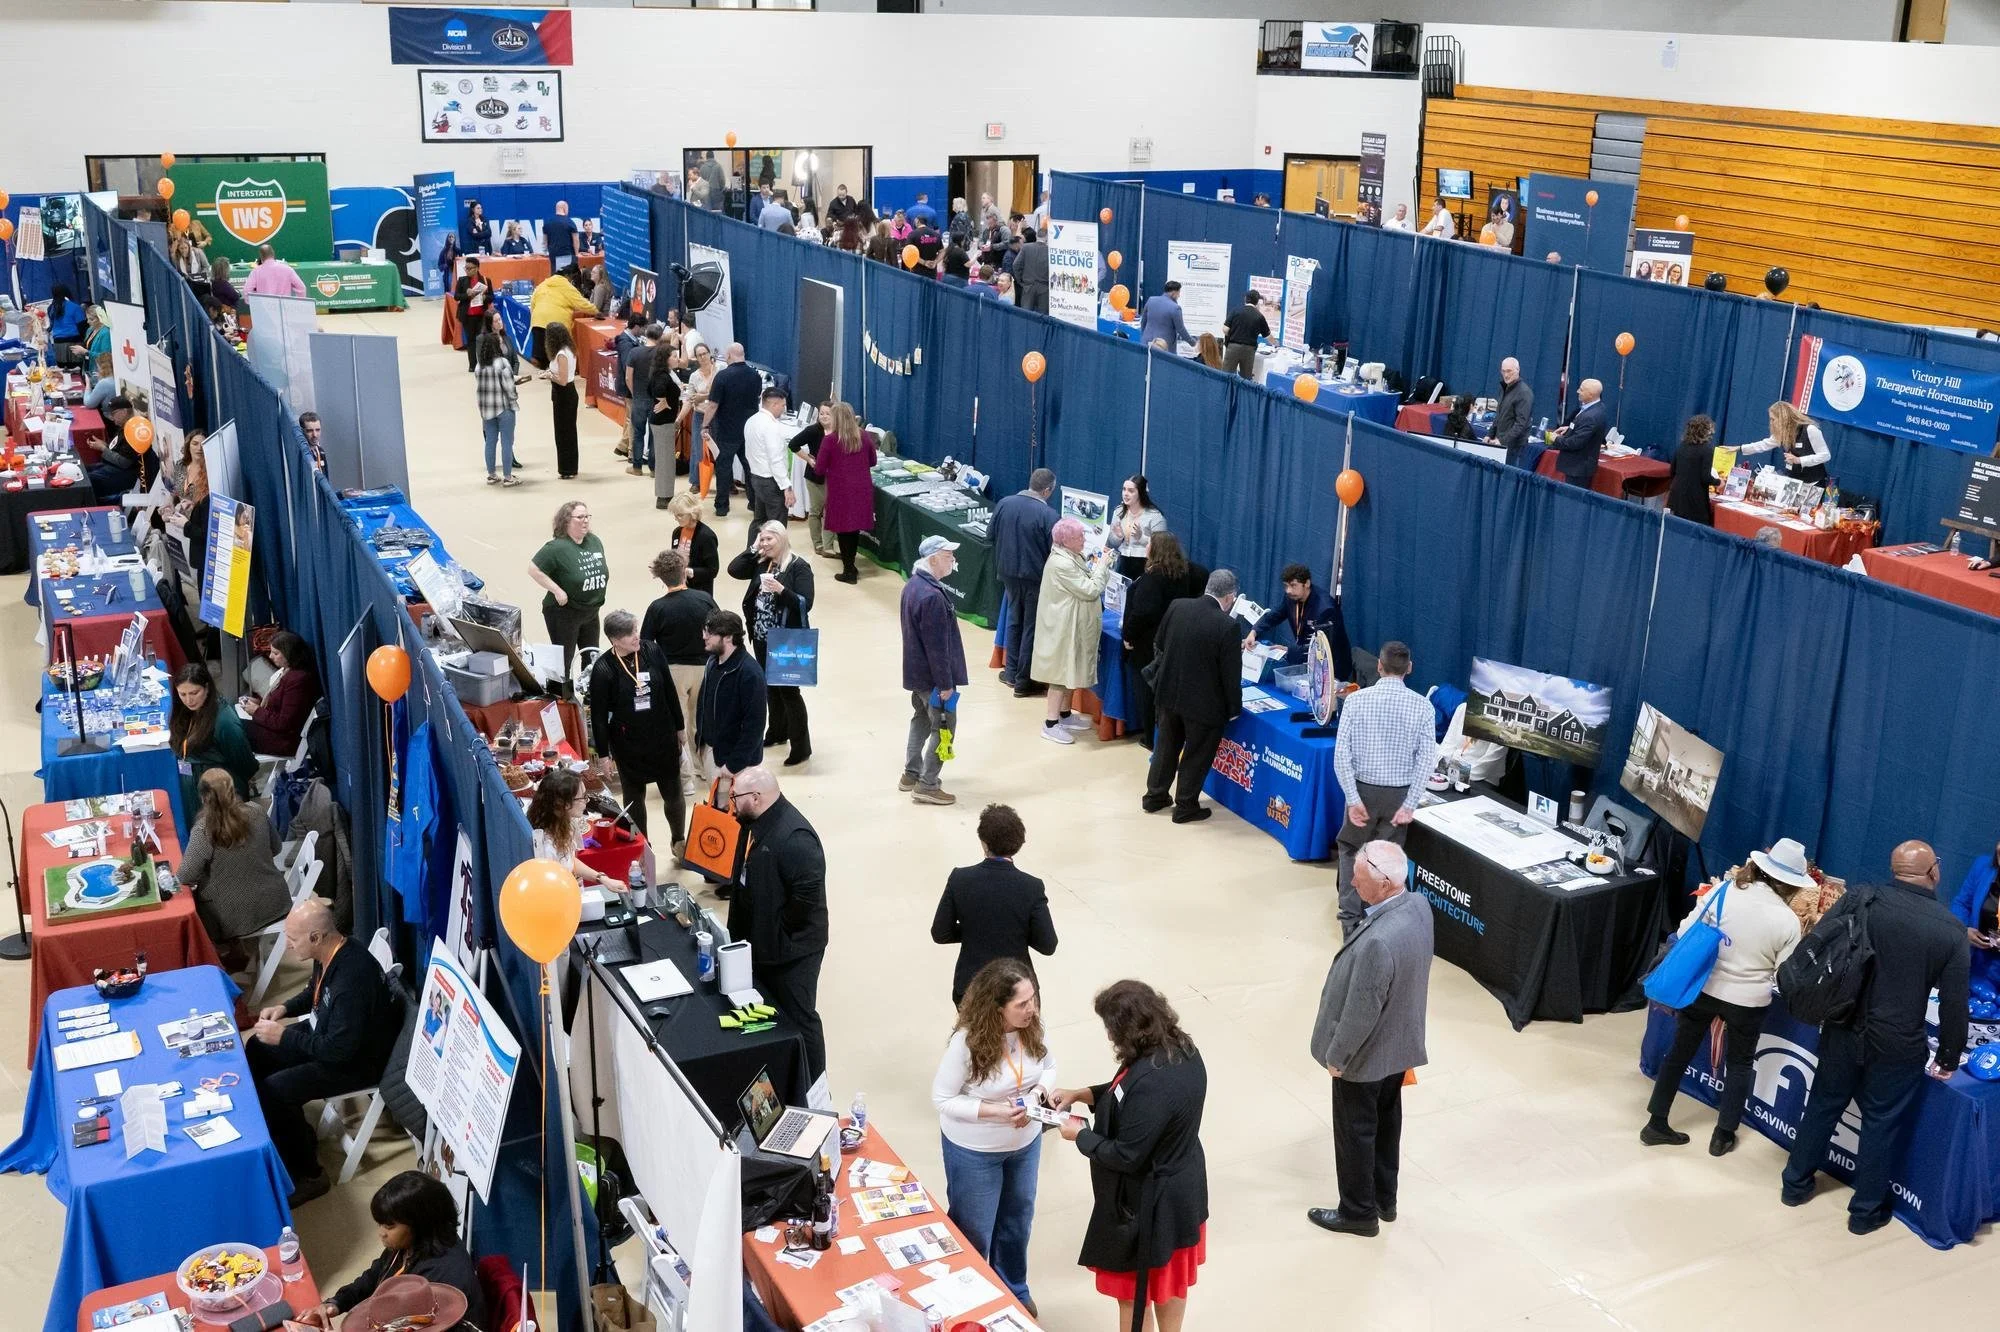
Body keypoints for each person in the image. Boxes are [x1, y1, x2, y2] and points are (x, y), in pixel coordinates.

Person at [1783, 840, 1969, 1232]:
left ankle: (1794, 1185)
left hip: (1843, 1024)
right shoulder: (1950, 929)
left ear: (1895, 868)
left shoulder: (1862, 898)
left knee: (1822, 1106)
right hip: (1898, 1042)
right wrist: (1949, 1057)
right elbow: (1955, 1004)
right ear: (1934, 871)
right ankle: (1864, 1214)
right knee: (1881, 1123)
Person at [1050, 980, 1208, 1332]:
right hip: (1182, 1188)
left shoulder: (1153, 1081)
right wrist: (1082, 1094)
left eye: (1110, 1028)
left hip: (1152, 1203)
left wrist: (1082, 1136)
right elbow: (1127, 1094)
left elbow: (1126, 1155)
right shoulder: (1179, 1049)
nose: (1108, 1036)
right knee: (1170, 1285)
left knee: (1133, 1296)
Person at [1643, 841, 1806, 1155]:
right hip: (1749, 1001)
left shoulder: (1723, 892)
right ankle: (1723, 1136)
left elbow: (1686, 929)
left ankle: (1656, 1123)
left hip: (1705, 988)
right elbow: (1783, 974)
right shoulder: (1788, 921)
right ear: (1791, 884)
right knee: (1741, 1065)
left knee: (1679, 1054)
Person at [1306, 840, 1434, 1238]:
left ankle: (1358, 1212)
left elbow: (1363, 1010)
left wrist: (1337, 1057)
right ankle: (1384, 1197)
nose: (1353, 888)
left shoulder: (1379, 941)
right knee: (1387, 1119)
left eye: (1359, 882)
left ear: (1383, 884)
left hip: (1365, 1056)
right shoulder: (1418, 906)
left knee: (1355, 1130)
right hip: (1400, 1044)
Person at [247, 898, 398, 1206]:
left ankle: (310, 1175)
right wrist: (285, 1007)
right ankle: (290, 1134)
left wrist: (285, 1038)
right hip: (329, 1036)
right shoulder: (328, 952)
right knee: (257, 1046)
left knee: (276, 1090)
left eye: (292, 939)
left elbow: (337, 1051)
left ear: (315, 937)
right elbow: (314, 993)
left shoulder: (352, 980)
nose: (287, 946)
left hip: (355, 1062)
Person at [931, 958, 1057, 1313]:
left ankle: (1013, 1289)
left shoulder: (1032, 1028)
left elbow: (1049, 1066)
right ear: (997, 1007)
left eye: (1033, 998)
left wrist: (1035, 1097)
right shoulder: (965, 1043)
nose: (1031, 1008)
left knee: (1018, 1220)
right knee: (974, 1229)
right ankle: (967, 1302)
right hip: (975, 1150)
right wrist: (996, 1111)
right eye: (1022, 1004)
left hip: (1025, 1143)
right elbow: (942, 1099)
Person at [725, 766, 829, 1077]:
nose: (731, 804)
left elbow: (806, 901)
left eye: (735, 797)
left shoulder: (795, 838)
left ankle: (814, 1084)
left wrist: (777, 931)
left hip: (792, 951)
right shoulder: (754, 823)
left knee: (799, 1016)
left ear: (755, 798)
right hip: (764, 942)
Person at [1331, 641, 1437, 937]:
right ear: (1410, 669)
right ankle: (1380, 922)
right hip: (1398, 796)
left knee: (1352, 852)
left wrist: (1353, 799)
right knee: (1387, 859)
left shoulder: (1355, 701)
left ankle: (1349, 923)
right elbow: (1426, 760)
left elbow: (1341, 756)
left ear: (1379, 666)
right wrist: (1410, 803)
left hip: (1363, 791)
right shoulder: (1423, 707)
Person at [299, 1171, 486, 1329]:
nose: (381, 1233)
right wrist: (335, 1304)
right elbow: (375, 1275)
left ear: (420, 1223)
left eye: (389, 1226)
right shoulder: (410, 1243)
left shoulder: (445, 1280)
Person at [932, 805, 1059, 1005]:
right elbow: (1048, 944)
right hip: (1018, 991)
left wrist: (975, 928)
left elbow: (940, 933)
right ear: (1019, 843)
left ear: (983, 841)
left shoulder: (960, 879)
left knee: (975, 1036)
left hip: (970, 989)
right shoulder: (1031, 887)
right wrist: (1014, 929)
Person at [1143, 569, 1242, 824]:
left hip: (1168, 693)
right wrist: (1234, 708)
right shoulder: (1228, 626)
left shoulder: (1178, 606)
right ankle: (1185, 805)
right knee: (1196, 754)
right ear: (1230, 597)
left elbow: (1160, 643)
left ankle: (1155, 796)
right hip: (1203, 705)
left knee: (1166, 745)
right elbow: (1230, 675)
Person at [590, 610, 688, 851]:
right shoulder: (604, 669)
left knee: (673, 791)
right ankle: (641, 846)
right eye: (630, 634)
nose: (637, 637)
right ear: (614, 640)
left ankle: (678, 840)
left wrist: (680, 727)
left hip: (662, 735)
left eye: (636, 630)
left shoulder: (651, 651)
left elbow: (669, 690)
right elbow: (599, 717)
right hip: (628, 742)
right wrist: (604, 755)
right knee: (634, 799)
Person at [178, 768, 291, 958]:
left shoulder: (204, 829)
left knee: (194, 901)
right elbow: (277, 848)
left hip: (233, 916)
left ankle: (227, 952)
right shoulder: (256, 811)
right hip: (275, 901)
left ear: (204, 797)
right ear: (233, 789)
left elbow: (185, 876)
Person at [728, 522, 813, 766]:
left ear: (782, 539)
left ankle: (801, 746)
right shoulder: (762, 562)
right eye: (761, 540)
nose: (765, 544)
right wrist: (753, 548)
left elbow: (805, 603)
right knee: (770, 686)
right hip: (763, 637)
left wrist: (781, 590)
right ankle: (777, 731)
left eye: (769, 539)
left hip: (786, 640)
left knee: (788, 691)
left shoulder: (798, 566)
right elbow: (734, 569)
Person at [1031, 517, 1113, 746]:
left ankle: (1064, 716)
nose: (1084, 540)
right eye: (1080, 537)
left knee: (1069, 670)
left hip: (1070, 625)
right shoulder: (1062, 563)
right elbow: (1090, 589)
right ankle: (1050, 724)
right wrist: (1104, 565)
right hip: (1062, 628)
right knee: (1059, 676)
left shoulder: (1069, 555)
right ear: (1066, 541)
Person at [1121, 533, 1209, 748]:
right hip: (1175, 640)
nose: (1147, 546)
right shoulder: (1186, 571)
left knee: (1147, 692)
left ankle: (1151, 738)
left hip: (1148, 644)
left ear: (1155, 549)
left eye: (1149, 543)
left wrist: (1128, 636)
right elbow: (1204, 577)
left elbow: (1143, 612)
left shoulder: (1153, 577)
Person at [643, 550, 718, 793]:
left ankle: (685, 780)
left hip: (673, 670)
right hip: (704, 667)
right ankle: (704, 770)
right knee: (701, 719)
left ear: (660, 578)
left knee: (677, 724)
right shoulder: (704, 599)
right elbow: (719, 625)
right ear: (684, 570)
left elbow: (646, 643)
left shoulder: (657, 608)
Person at [900, 535, 968, 806]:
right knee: (944, 728)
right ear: (933, 559)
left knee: (921, 719)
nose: (953, 561)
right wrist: (946, 684)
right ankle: (927, 784)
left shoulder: (913, 586)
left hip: (917, 675)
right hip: (934, 680)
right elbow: (937, 648)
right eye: (949, 556)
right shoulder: (932, 597)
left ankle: (910, 773)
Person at [994, 469, 1058, 696]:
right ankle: (1023, 681)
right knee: (1031, 626)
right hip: (1034, 578)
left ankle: (1011, 673)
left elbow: (990, 536)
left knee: (1014, 620)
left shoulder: (1004, 503)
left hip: (1008, 573)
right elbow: (1055, 552)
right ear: (1048, 490)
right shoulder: (1049, 515)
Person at [529, 500, 609, 679]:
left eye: (587, 516)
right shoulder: (556, 548)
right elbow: (533, 569)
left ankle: (591, 698)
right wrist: (557, 590)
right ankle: (565, 700)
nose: (585, 521)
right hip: (564, 613)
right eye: (580, 517)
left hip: (590, 610)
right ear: (566, 521)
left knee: (592, 657)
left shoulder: (594, 541)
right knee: (564, 661)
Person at [170, 663, 258, 815]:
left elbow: (246, 763)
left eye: (194, 693)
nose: (189, 700)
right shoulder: (187, 711)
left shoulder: (224, 721)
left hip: (220, 794)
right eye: (182, 694)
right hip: (195, 790)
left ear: (207, 688)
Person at [695, 610, 767, 782]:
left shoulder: (750, 673)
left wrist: (734, 764)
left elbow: (755, 725)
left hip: (734, 765)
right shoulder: (713, 661)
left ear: (728, 637)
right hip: (713, 752)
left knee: (729, 808)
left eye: (710, 633)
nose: (704, 637)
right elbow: (703, 703)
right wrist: (701, 742)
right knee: (715, 807)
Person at [525, 768, 616, 891]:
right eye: (583, 797)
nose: (586, 801)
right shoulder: (546, 848)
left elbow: (570, 860)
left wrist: (602, 878)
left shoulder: (567, 822)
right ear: (564, 804)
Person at [817, 402, 879, 578]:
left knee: (843, 530)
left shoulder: (830, 440)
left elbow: (820, 469)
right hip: (861, 489)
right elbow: (873, 461)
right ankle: (851, 565)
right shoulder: (864, 436)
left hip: (840, 491)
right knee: (853, 529)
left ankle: (849, 570)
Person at [703, 343, 763, 517]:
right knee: (750, 467)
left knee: (723, 468)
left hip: (727, 431)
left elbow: (713, 405)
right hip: (750, 431)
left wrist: (704, 425)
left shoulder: (722, 377)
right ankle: (754, 503)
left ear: (729, 355)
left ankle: (722, 506)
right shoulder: (755, 376)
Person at [242, 631, 321, 756]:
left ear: (289, 653)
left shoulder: (298, 680)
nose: (271, 656)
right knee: (232, 725)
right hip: (273, 732)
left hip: (283, 741)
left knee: (231, 731)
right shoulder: (287, 671)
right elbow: (279, 703)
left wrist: (257, 711)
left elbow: (284, 723)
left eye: (276, 653)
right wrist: (257, 702)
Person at [1243, 563, 1333, 665]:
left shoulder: (1324, 607)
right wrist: (1254, 632)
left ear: (1307, 583)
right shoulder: (1291, 598)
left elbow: (1322, 646)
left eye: (1293, 585)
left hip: (1326, 665)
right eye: (1286, 586)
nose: (1288, 590)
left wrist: (1289, 650)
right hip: (1301, 658)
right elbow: (1274, 616)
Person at [742, 385, 797, 539]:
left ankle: (751, 554)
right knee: (776, 525)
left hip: (756, 477)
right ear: (773, 404)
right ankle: (774, 558)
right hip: (771, 482)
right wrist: (787, 486)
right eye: (783, 405)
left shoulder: (751, 421)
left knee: (759, 520)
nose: (783, 409)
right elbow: (776, 460)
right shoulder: (771, 426)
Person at [1741, 400, 1832, 486]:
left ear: (1783, 419)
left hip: (1813, 484)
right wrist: (1740, 448)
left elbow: (1825, 455)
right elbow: (1763, 444)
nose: (1771, 423)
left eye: (1773, 419)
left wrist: (1799, 460)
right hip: (1793, 482)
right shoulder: (1783, 432)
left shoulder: (1810, 430)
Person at [474, 332, 520, 487]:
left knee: (490, 442)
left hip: (487, 410)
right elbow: (509, 387)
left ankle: (492, 475)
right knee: (507, 442)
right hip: (504, 408)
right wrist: (514, 399)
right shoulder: (502, 363)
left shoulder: (479, 366)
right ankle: (508, 477)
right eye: (500, 342)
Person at [529, 267, 596, 369]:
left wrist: (534, 317)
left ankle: (541, 364)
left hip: (538, 321)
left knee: (541, 355)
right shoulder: (567, 287)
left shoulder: (542, 285)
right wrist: (596, 311)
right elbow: (582, 303)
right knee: (557, 353)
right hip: (557, 323)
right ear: (567, 277)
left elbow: (532, 303)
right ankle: (554, 369)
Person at [1550, 378, 1609, 487]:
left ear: (1590, 395)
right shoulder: (1597, 407)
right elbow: (1583, 430)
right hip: (1578, 466)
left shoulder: (1590, 416)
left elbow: (1575, 443)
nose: (1577, 391)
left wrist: (1555, 439)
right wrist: (1569, 429)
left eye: (1581, 390)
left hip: (1578, 469)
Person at [1107, 474, 1167, 581]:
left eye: (1131, 491)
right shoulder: (1118, 512)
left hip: (1146, 565)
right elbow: (1112, 543)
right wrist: (1118, 537)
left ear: (1141, 493)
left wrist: (1141, 537)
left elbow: (1161, 548)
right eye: (1124, 489)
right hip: (1123, 564)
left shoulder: (1155, 516)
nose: (1125, 494)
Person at [623, 321, 663, 479]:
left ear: (646, 334)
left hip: (639, 398)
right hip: (655, 399)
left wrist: (635, 393)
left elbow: (628, 377)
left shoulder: (634, 353)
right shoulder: (661, 354)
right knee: (654, 434)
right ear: (660, 337)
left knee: (638, 433)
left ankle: (637, 466)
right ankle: (654, 468)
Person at [667, 489, 721, 595]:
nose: (676, 519)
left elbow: (712, 570)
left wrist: (689, 572)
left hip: (699, 591)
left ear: (693, 513)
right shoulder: (677, 532)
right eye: (675, 515)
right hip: (678, 588)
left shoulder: (706, 536)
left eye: (680, 515)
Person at [1668, 415, 1718, 526]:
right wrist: (1718, 482)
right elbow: (1705, 477)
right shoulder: (1707, 450)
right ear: (1705, 431)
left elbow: (1672, 471)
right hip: (1695, 500)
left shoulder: (1682, 446)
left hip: (1677, 497)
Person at [1493, 356, 1535, 467]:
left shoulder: (1524, 393)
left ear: (1518, 370)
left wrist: (1502, 441)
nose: (1506, 375)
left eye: (1509, 371)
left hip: (1515, 448)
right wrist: (1490, 434)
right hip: (1501, 443)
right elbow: (1499, 414)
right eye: (1503, 371)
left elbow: (1520, 424)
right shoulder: (1504, 388)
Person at [1221, 291, 1269, 380]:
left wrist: (1233, 334)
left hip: (1233, 347)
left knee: (1226, 376)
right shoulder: (1259, 316)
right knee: (1246, 379)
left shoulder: (1236, 311)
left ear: (1245, 299)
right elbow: (1267, 335)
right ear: (1257, 301)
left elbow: (1225, 329)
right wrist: (1276, 344)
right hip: (1249, 350)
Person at [1137, 282, 1193, 352]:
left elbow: (1143, 322)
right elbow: (1181, 329)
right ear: (1173, 293)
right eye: (1178, 293)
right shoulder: (1175, 308)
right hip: (1163, 347)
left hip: (1146, 342)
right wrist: (1193, 343)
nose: (1179, 296)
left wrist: (1144, 335)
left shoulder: (1151, 300)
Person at [242, 244, 307, 298]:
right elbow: (301, 288)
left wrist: (254, 303)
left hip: (264, 308)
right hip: (284, 307)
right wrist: (299, 302)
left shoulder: (255, 272)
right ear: (273, 253)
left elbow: (247, 291)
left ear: (261, 256)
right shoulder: (288, 269)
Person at [1014, 227, 1050, 314]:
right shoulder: (1051, 251)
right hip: (1045, 288)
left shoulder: (1026, 247)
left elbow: (1016, 265)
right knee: (1042, 318)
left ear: (1036, 236)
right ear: (1048, 237)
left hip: (1028, 286)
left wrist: (1020, 281)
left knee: (1025, 316)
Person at [544, 199, 578, 268]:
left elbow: (545, 242)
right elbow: (576, 241)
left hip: (553, 256)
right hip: (567, 256)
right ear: (564, 208)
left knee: (555, 277)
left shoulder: (547, 223)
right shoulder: (570, 222)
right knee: (566, 277)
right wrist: (576, 254)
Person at [298, 410, 327, 474]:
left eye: (318, 430)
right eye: (309, 431)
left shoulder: (320, 451)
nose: (315, 435)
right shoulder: (300, 455)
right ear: (302, 432)